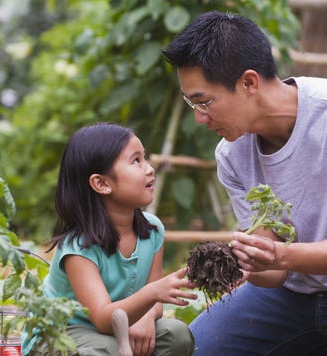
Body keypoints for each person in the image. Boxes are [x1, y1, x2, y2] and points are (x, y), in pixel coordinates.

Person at [162, 10, 327, 356]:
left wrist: (283, 255)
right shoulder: (231, 154)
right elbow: (271, 274)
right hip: (290, 297)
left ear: (248, 83)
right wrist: (256, 260)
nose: (199, 118)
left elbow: (281, 258)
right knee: (193, 349)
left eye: (204, 102)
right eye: (191, 103)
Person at [21, 122, 196, 356]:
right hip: (62, 334)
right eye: (136, 161)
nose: (150, 169)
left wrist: (147, 314)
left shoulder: (153, 230)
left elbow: (154, 302)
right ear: (102, 183)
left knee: (176, 335)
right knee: (110, 351)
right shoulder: (79, 247)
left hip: (117, 331)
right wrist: (153, 294)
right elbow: (104, 318)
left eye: (145, 158)